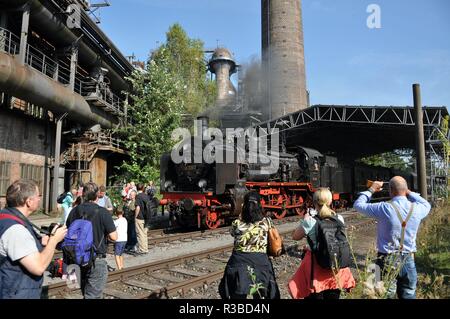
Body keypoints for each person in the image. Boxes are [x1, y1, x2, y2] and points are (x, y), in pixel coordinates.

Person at [353, 176, 431, 299]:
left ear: (391, 190)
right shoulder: (418, 208)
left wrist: (372, 189)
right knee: (409, 294)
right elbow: (426, 203)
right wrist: (408, 192)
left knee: (383, 294)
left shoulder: (383, 207)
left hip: (384, 260)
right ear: (405, 190)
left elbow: (358, 205)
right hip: (408, 260)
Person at [0, 179, 67, 299]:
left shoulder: (6, 217)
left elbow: (15, 248)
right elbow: (38, 267)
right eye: (38, 195)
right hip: (17, 293)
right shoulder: (16, 230)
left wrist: (40, 242)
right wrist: (54, 240)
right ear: (28, 202)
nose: (39, 198)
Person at [288, 188, 356, 299]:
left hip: (317, 268)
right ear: (330, 202)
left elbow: (295, 237)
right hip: (336, 267)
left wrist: (304, 220)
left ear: (314, 203)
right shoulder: (339, 218)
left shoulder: (310, 221)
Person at [219, 191, 280, 299]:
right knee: (261, 294)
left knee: (237, 295)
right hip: (260, 262)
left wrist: (241, 215)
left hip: (239, 263)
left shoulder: (237, 223)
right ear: (259, 205)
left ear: (244, 206)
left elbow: (233, 233)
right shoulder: (267, 222)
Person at [66, 182, 118, 299]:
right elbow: (114, 237)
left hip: (75, 259)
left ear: (83, 195)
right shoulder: (103, 212)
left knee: (84, 292)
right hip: (95, 260)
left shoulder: (74, 211)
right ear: (97, 195)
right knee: (92, 295)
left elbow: (68, 230)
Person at [135, 184, 150, 254]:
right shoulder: (146, 196)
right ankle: (145, 248)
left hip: (140, 217)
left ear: (136, 188)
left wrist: (135, 216)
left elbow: (137, 207)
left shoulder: (138, 196)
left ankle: (142, 249)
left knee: (140, 234)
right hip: (146, 217)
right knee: (144, 234)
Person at [113, 206, 127, 270]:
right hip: (125, 239)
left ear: (116, 213)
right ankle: (121, 266)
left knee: (116, 255)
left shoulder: (117, 221)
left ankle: (119, 268)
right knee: (121, 254)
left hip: (119, 240)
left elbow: (112, 227)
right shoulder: (125, 220)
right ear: (123, 212)